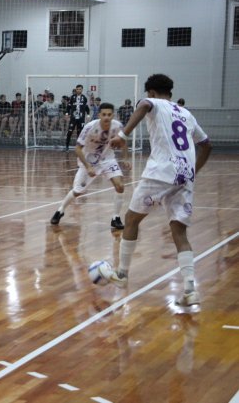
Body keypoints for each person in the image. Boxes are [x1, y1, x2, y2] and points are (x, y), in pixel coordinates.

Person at [109, 74, 212, 306]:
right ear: (170, 93)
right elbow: (207, 145)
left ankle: (122, 274)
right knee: (179, 232)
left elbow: (145, 105)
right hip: (184, 175)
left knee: (131, 219)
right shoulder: (186, 113)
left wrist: (122, 135)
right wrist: (193, 171)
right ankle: (190, 289)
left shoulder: (152, 102)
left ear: (152, 92)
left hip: (162, 171)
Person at [51, 102, 129, 229]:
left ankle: (116, 218)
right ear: (99, 115)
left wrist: (125, 158)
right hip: (89, 160)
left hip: (108, 159)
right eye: (104, 114)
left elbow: (123, 142)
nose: (106, 117)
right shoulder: (90, 127)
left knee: (120, 186)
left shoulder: (118, 126)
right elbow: (77, 149)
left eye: (109, 114)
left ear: (113, 115)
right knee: (77, 191)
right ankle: (60, 210)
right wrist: (88, 166)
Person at [65, 84, 90, 151]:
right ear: (76, 89)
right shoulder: (72, 97)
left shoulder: (84, 98)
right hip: (73, 118)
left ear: (82, 90)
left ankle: (79, 147)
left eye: (80, 89)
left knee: (80, 133)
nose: (78, 90)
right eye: (77, 89)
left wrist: (88, 114)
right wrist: (67, 114)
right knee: (70, 131)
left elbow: (86, 107)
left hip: (81, 118)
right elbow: (68, 106)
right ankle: (67, 146)